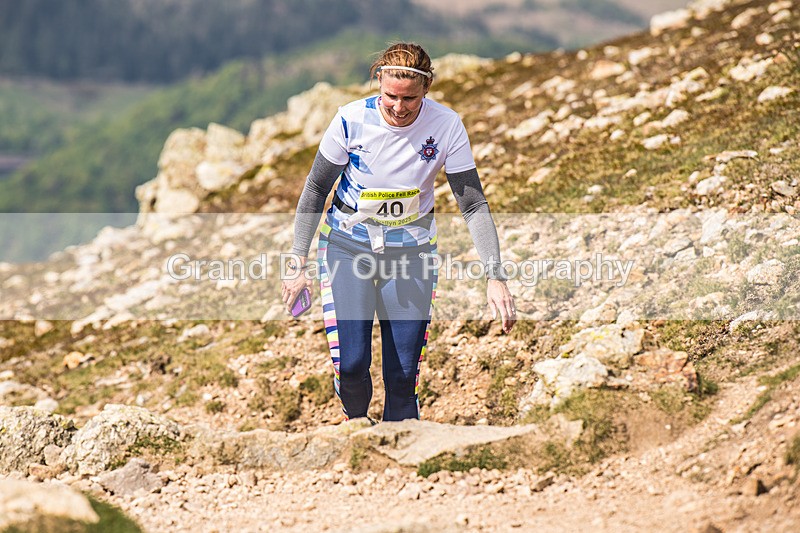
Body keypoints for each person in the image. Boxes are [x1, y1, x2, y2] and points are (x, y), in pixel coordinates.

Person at [281, 42, 515, 423]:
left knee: (403, 377)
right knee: (352, 365)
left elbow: (472, 204)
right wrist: (297, 259)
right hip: (348, 247)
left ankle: (401, 452)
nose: (399, 107)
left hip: (411, 253)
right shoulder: (350, 120)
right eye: (390, 96)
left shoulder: (446, 126)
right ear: (379, 82)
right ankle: (356, 432)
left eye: (410, 98)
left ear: (427, 88)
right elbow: (315, 189)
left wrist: (495, 275)